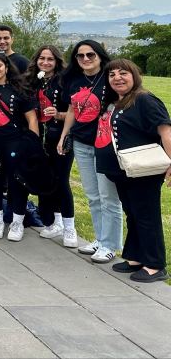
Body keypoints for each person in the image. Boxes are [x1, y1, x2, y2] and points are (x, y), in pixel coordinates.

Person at [96, 59, 171, 283]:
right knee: (133, 213)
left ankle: (155, 264)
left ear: (135, 75)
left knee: (147, 215)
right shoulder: (118, 102)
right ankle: (136, 257)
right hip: (124, 169)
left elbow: (165, 130)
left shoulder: (144, 99)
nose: (117, 78)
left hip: (144, 169)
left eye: (123, 73)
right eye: (112, 75)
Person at [58, 39, 121, 263]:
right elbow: (72, 110)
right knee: (93, 196)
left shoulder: (110, 77)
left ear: (100, 55)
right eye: (80, 56)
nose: (85, 59)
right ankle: (100, 238)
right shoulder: (74, 80)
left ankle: (110, 244)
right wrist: (65, 135)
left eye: (90, 55)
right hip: (82, 143)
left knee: (108, 197)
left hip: (105, 145)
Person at [0, 52, 40, 241]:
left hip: (16, 142)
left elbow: (32, 119)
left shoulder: (20, 89)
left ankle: (17, 222)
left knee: (17, 182)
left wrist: (32, 145)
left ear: (6, 67)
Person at [26, 46, 77, 247]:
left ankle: (69, 227)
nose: (45, 62)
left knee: (61, 181)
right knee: (45, 181)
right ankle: (53, 221)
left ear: (57, 61)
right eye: (42, 58)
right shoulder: (33, 80)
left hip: (60, 137)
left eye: (50, 59)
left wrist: (57, 114)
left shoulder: (65, 81)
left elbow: (74, 113)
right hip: (39, 138)